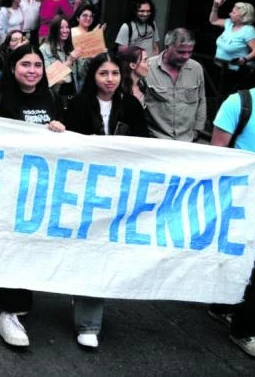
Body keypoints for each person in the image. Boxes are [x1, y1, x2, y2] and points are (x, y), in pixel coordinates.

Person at [0, 43, 66, 347]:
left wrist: (59, 127)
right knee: (13, 242)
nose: (32, 71)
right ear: (12, 68)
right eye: (25, 65)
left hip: (39, 186)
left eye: (37, 65)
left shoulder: (50, 97)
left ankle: (3, 287)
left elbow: (65, 137)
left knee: (30, 244)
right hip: (7, 184)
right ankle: (7, 315)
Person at [62, 52, 149, 348]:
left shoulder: (132, 105)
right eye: (103, 74)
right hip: (80, 191)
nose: (110, 79)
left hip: (116, 194)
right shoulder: (78, 104)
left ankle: (88, 323)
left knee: (97, 251)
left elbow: (143, 144)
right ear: (93, 76)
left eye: (114, 73)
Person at [207, 49, 255, 360]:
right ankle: (246, 331)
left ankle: (222, 304)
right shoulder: (239, 103)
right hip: (244, 201)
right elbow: (217, 152)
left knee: (249, 257)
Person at [145, 28, 206, 142]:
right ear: (168, 46)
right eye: (181, 52)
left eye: (190, 52)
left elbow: (201, 100)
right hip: (155, 138)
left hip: (186, 139)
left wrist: (198, 130)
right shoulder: (148, 67)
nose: (186, 56)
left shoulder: (196, 68)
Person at [209, 0, 255, 93]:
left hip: (235, 72)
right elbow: (213, 21)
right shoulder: (229, 23)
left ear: (242, 16)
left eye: (233, 12)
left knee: (225, 95)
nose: (229, 14)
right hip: (220, 68)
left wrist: (244, 59)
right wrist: (215, 7)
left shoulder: (249, 30)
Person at [40, 16, 86, 105]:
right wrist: (69, 61)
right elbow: (48, 77)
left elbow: (81, 73)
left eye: (67, 27)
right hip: (55, 93)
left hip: (72, 91)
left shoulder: (72, 47)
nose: (65, 30)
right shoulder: (44, 49)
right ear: (54, 29)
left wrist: (90, 57)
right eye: (61, 28)